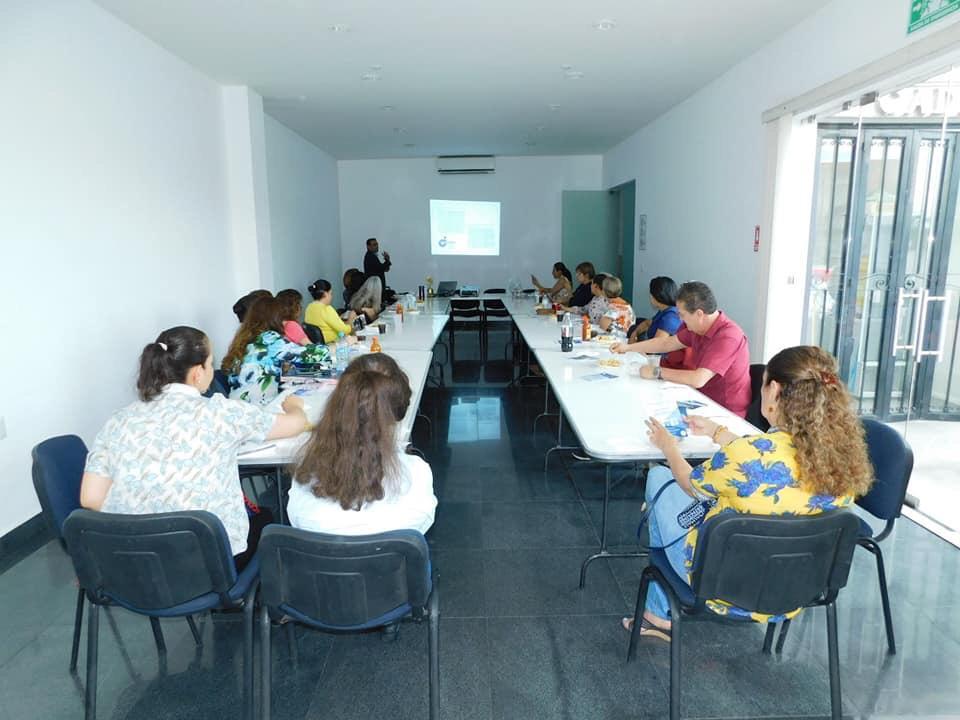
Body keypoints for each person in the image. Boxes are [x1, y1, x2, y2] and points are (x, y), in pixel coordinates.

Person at [626, 345, 872, 640]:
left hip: (718, 583)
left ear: (775, 390)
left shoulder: (746, 454)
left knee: (659, 478)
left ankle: (656, 612)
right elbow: (769, 457)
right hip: (797, 588)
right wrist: (717, 432)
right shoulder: (843, 460)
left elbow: (692, 485)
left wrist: (668, 447)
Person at [79, 326, 310, 571]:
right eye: (210, 364)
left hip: (135, 564)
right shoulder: (220, 413)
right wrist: (294, 406)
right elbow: (295, 424)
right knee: (265, 519)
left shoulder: (118, 420)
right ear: (198, 373)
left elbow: (90, 499)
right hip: (208, 563)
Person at [287, 353, 437, 535]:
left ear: (339, 404)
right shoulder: (416, 475)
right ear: (398, 411)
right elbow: (417, 533)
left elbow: (296, 520)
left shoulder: (305, 478)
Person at [612, 281, 751, 418]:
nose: (680, 319)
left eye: (682, 315)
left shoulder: (729, 336)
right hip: (701, 399)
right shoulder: (697, 328)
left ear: (699, 314)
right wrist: (627, 348)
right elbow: (665, 343)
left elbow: (698, 379)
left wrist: (656, 372)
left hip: (725, 413)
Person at [222, 296, 329, 405]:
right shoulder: (269, 339)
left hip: (237, 403)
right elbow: (313, 355)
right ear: (276, 318)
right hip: (257, 407)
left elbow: (276, 367)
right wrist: (334, 347)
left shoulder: (243, 340)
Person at [627, 276, 682, 342]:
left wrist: (630, 346)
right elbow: (648, 323)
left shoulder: (670, 318)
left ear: (657, 296)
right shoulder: (665, 309)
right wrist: (634, 333)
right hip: (651, 341)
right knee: (633, 328)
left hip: (656, 347)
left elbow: (656, 345)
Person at [305, 278, 357, 343]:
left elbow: (324, 323)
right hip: (332, 343)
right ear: (325, 294)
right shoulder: (326, 309)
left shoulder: (309, 307)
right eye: (331, 293)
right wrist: (351, 319)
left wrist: (338, 319)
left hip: (317, 343)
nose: (331, 296)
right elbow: (345, 331)